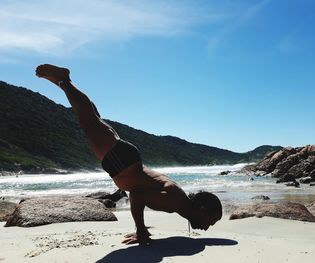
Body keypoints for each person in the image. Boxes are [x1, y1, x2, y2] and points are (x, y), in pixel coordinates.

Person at [35, 64, 222, 245]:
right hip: (122, 162)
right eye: (211, 221)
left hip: (124, 162)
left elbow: (142, 190)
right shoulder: (176, 201)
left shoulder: (179, 202)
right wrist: (140, 230)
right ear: (202, 210)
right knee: (89, 120)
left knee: (93, 118)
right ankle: (64, 80)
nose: (208, 227)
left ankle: (64, 82)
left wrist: (142, 229)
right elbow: (138, 195)